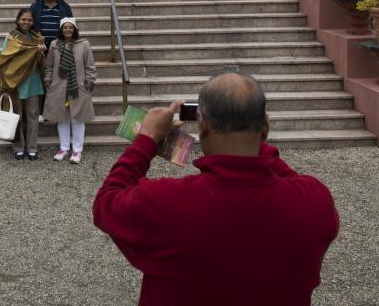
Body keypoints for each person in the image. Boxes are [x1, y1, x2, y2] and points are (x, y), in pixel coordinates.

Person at [92, 72, 339, 306]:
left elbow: (107, 202)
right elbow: (286, 177)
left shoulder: (164, 203)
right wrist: (254, 139)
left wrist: (146, 139)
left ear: (203, 127)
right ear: (265, 127)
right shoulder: (315, 203)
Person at [0, 8, 46, 160]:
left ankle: (32, 147)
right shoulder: (11, 38)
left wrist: (41, 53)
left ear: (33, 22)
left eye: (29, 20)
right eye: (23, 19)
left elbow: (40, 63)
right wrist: (4, 83)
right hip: (15, 83)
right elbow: (3, 59)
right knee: (16, 115)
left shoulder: (37, 38)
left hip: (33, 82)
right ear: (18, 20)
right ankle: (18, 147)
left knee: (33, 116)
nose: (26, 22)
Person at [43, 17, 95, 164]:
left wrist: (89, 82)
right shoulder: (54, 45)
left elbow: (90, 66)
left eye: (70, 27)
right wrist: (48, 81)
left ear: (74, 29)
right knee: (62, 119)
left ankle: (77, 150)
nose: (68, 30)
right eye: (65, 27)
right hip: (59, 88)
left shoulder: (83, 44)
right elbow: (49, 66)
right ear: (61, 29)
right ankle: (64, 148)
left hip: (77, 87)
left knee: (77, 119)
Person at [30, 0, 73, 122]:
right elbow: (28, 25)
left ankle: (56, 111)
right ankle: (42, 112)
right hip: (40, 50)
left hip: (58, 50)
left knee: (57, 82)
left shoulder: (65, 7)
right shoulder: (35, 6)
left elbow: (70, 27)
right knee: (42, 82)